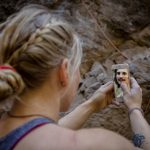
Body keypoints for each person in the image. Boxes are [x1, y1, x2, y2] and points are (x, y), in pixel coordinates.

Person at [0, 4, 145, 150]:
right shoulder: (97, 144)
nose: (80, 77)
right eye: (78, 67)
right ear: (64, 71)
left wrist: (91, 105)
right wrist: (134, 109)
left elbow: (37, 132)